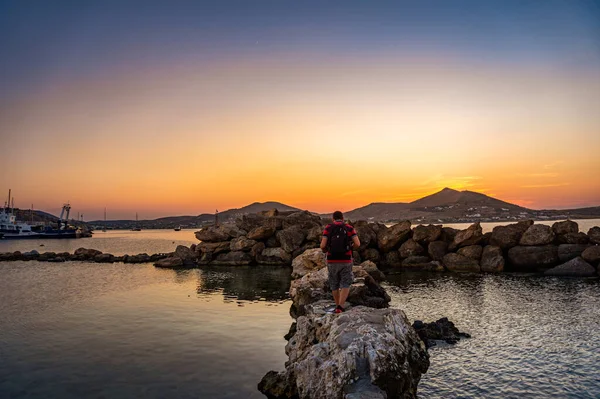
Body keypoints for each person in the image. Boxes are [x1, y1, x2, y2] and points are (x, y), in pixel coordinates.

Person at [320, 211, 360, 314]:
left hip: (332, 259)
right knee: (345, 283)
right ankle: (340, 307)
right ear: (342, 218)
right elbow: (357, 243)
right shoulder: (349, 228)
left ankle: (337, 305)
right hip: (345, 259)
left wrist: (326, 251)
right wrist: (351, 249)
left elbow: (322, 245)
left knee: (334, 283)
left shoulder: (328, 228)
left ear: (333, 218)